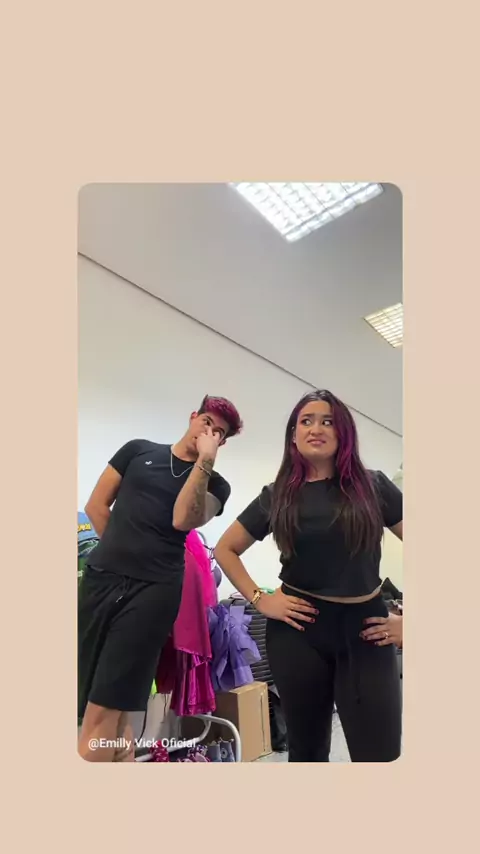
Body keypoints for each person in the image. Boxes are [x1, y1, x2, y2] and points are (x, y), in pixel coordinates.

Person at [214, 390, 403, 762]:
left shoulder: (374, 486)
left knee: (378, 754)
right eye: (306, 421)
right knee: (307, 753)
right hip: (298, 632)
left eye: (328, 421)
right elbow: (225, 549)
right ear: (294, 436)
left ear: (343, 433)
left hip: (367, 631)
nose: (316, 428)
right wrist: (260, 599)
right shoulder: (278, 495)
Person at [78, 394, 243, 761]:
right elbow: (96, 506)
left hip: (153, 593)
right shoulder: (138, 451)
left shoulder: (217, 486)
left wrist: (204, 461)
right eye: (207, 422)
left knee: (102, 709)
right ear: (193, 416)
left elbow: (183, 518)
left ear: (222, 443)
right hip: (101, 580)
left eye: (218, 432)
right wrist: (123, 555)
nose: (209, 432)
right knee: (111, 706)